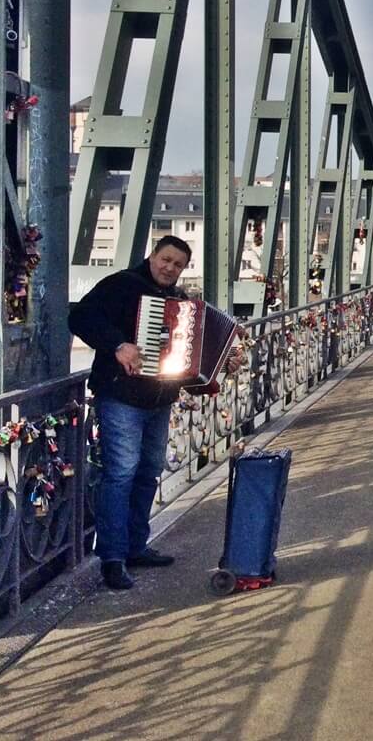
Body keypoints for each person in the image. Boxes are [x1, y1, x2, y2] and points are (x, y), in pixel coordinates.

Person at [69, 236, 239, 591]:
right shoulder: (121, 285)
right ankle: (112, 559)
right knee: (120, 474)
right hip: (120, 397)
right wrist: (118, 345)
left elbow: (189, 362)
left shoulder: (180, 302)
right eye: (165, 259)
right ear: (152, 256)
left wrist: (222, 360)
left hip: (159, 400)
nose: (169, 268)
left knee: (147, 472)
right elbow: (80, 316)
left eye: (178, 264)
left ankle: (135, 546)